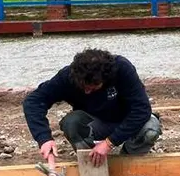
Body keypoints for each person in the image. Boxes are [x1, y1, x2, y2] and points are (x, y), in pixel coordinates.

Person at [23, 48, 162, 168]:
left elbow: (142, 109)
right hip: (97, 123)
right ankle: (91, 162)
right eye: (84, 87)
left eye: (92, 88)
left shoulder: (122, 69)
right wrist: (44, 138)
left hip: (127, 119)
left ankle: (127, 162)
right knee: (72, 123)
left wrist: (109, 143)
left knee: (151, 129)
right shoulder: (68, 76)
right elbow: (34, 101)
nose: (87, 92)